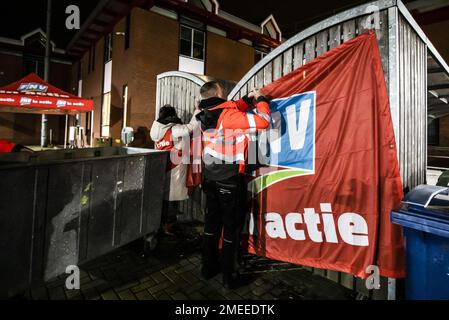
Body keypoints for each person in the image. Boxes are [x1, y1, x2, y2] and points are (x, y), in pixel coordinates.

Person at [196, 81, 271, 289]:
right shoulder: (227, 116)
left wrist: (248, 99)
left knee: (211, 226)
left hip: (210, 178)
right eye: (223, 90)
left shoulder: (205, 112)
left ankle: (208, 268)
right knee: (231, 229)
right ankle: (229, 277)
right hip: (229, 179)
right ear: (218, 93)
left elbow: (234, 106)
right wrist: (262, 99)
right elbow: (263, 121)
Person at [150, 104, 199, 235]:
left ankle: (161, 224)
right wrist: (197, 110)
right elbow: (192, 127)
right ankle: (168, 226)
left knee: (165, 199)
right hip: (174, 168)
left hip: (162, 168)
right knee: (172, 199)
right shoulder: (174, 129)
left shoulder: (156, 131)